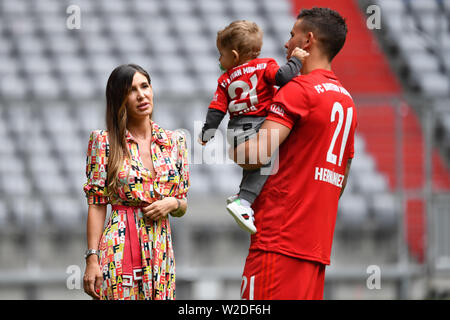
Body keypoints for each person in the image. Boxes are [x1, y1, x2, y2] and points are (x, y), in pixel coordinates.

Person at [232, 8, 356, 299]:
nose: (287, 44)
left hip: (277, 241)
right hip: (316, 246)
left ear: (308, 40)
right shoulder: (346, 100)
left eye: (292, 36)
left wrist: (233, 140)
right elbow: (343, 177)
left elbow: (257, 155)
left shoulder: (298, 89)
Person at [82, 64, 189, 300]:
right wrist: (92, 258)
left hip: (161, 248)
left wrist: (172, 204)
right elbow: (97, 203)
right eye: (132, 90)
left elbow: (183, 203)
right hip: (119, 246)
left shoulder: (175, 141)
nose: (141, 95)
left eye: (145, 86)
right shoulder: (104, 141)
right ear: (119, 98)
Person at [198, 20, 309, 234]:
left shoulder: (225, 79)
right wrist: (296, 60)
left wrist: (207, 133)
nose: (220, 60)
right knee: (269, 159)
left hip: (235, 130)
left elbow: (216, 110)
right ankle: (245, 201)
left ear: (235, 55)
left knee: (258, 164)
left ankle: (242, 195)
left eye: (221, 55)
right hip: (257, 124)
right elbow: (284, 77)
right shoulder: (265, 65)